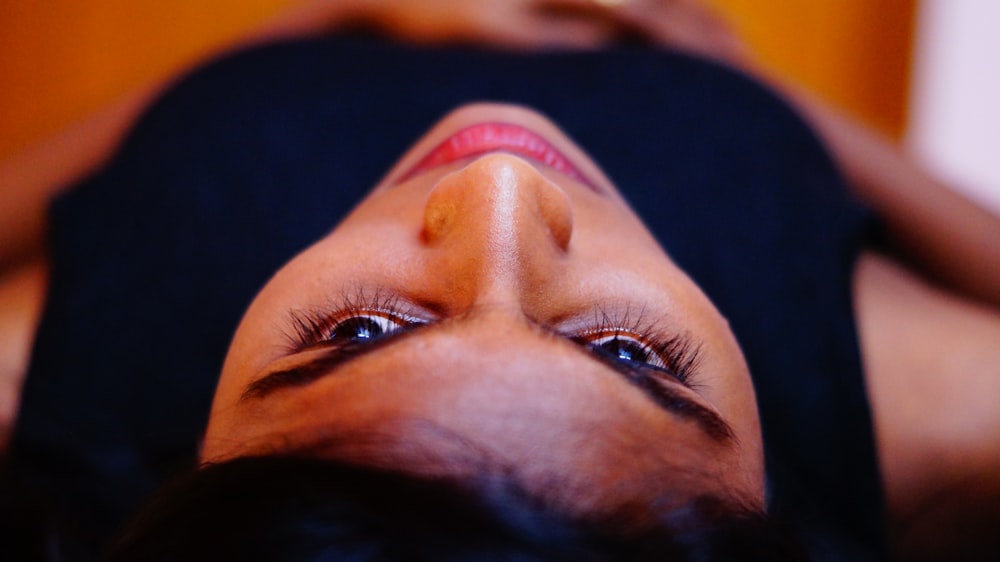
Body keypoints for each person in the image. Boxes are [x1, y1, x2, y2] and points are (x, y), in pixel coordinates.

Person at [1, 1, 999, 561]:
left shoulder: (77, 380)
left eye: (356, 334)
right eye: (621, 351)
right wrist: (762, 88)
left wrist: (299, 26)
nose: (501, 187)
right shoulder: (912, 409)